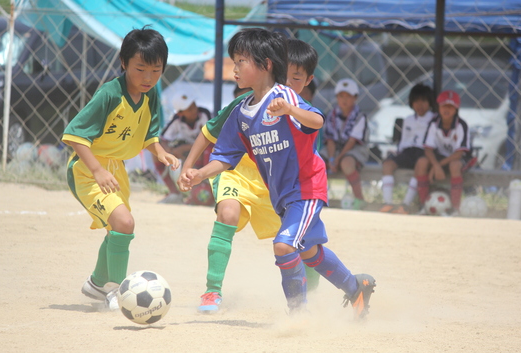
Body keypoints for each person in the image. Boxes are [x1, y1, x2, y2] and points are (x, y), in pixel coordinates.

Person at [180, 28, 376, 318]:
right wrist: (199, 173)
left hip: (306, 188)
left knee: (284, 246)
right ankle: (356, 287)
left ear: (266, 64)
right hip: (283, 197)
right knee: (310, 253)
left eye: (241, 61)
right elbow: (224, 158)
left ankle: (298, 314)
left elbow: (318, 120)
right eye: (234, 61)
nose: (234, 69)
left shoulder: (284, 95)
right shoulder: (241, 112)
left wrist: (289, 111)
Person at [178, 37, 321, 314]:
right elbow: (208, 133)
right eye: (285, 75)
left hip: (276, 186)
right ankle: (212, 290)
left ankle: (312, 296)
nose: (289, 82)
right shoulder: (244, 105)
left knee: (304, 243)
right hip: (238, 175)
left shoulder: (299, 111)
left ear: (308, 81)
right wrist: (190, 167)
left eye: (297, 78)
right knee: (227, 214)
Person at [61, 26, 179, 310]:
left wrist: (160, 151)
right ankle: (116, 291)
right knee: (125, 223)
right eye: (140, 69)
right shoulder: (109, 95)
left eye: (156, 70)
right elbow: (75, 135)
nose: (148, 77)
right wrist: (98, 172)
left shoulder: (149, 95)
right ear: (123, 63)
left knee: (117, 229)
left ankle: (97, 283)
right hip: (87, 169)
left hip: (116, 170)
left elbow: (148, 134)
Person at [379, 83, 435, 214]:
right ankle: (388, 203)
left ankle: (406, 204)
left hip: (423, 152)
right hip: (408, 151)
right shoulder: (408, 120)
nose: (419, 105)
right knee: (387, 164)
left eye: (423, 101)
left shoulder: (434, 119)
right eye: (416, 101)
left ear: (430, 102)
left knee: (420, 166)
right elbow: (404, 141)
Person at [414, 90, 472, 216]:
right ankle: (424, 205)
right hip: (440, 159)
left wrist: (438, 166)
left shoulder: (461, 125)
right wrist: (435, 166)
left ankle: (455, 208)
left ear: (456, 109)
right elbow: (428, 149)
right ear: (438, 107)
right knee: (422, 162)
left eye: (451, 107)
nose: (447, 109)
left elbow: (459, 153)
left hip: (458, 159)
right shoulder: (434, 124)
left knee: (454, 165)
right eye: (444, 106)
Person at [155, 91, 211, 204]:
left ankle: (204, 187)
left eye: (194, 105)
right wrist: (170, 152)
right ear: (180, 113)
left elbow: (210, 139)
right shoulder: (176, 120)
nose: (194, 110)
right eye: (189, 109)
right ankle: (174, 193)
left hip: (203, 152)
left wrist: (184, 148)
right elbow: (163, 140)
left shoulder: (204, 114)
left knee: (209, 149)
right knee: (156, 152)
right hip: (184, 152)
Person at [322, 78, 369, 210]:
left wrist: (337, 159)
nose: (344, 99)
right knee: (318, 161)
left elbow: (352, 141)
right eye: (341, 96)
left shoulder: (360, 116)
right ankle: (319, 196)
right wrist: (331, 158)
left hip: (355, 149)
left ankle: (360, 199)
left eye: (348, 96)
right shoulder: (332, 115)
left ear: (355, 98)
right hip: (335, 148)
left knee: (346, 163)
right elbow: (330, 140)